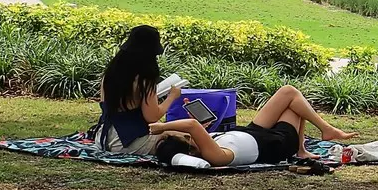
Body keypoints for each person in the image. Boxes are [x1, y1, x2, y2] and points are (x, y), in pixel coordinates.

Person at [150, 83, 357, 169]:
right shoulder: (214, 156)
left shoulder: (204, 142)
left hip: (253, 131)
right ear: (189, 149)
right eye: (186, 136)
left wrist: (206, 127)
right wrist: (160, 127)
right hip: (277, 142)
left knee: (287, 92)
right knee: (294, 104)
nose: (189, 135)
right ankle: (304, 145)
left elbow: (195, 127)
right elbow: (192, 125)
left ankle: (310, 143)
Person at [92, 25, 176, 155]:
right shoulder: (144, 79)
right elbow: (152, 117)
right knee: (182, 135)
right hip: (128, 142)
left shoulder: (110, 74)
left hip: (102, 138)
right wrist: (172, 97)